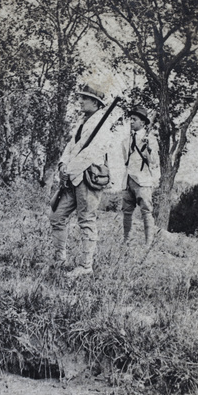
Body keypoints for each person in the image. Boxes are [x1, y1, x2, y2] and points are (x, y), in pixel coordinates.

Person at [50, 84, 111, 278]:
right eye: (81, 97)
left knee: (86, 220)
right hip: (71, 177)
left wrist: (69, 170)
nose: (81, 101)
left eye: (85, 98)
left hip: (87, 177)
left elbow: (90, 154)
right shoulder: (83, 123)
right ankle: (59, 260)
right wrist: (62, 165)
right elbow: (71, 146)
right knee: (57, 217)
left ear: (95, 102)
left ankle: (86, 266)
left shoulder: (103, 126)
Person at [121, 106, 159, 247]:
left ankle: (148, 244)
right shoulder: (126, 140)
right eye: (130, 119)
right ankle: (126, 241)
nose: (131, 122)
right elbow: (126, 159)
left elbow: (154, 162)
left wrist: (148, 149)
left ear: (143, 123)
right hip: (128, 179)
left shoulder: (151, 139)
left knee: (146, 211)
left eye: (134, 119)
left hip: (143, 180)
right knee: (127, 211)